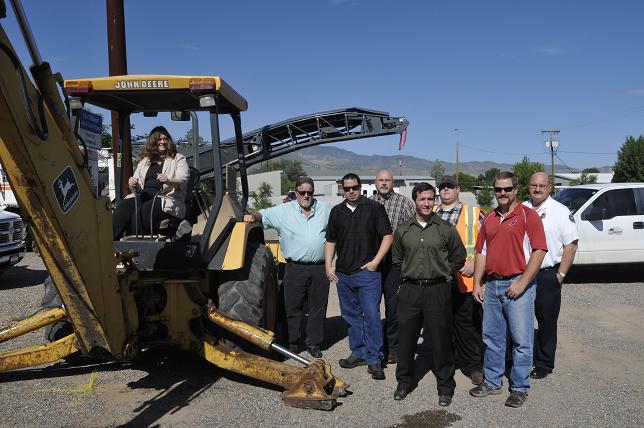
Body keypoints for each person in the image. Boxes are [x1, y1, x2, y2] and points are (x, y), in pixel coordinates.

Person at [469, 171, 547, 408]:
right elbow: (481, 252)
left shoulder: (528, 216)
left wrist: (523, 282)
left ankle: (519, 388)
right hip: (492, 285)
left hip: (517, 285)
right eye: (498, 190)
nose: (502, 194)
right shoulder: (490, 218)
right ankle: (492, 382)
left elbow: (539, 251)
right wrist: (477, 283)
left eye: (507, 189)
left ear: (516, 190)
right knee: (492, 338)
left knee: (521, 340)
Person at [392, 182, 466, 407]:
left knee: (441, 339)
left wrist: (440, 271)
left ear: (434, 201)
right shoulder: (403, 229)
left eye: (430, 199)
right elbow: (397, 260)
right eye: (422, 199)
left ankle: (445, 385)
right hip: (411, 290)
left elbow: (458, 257)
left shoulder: (445, 229)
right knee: (406, 339)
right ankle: (404, 382)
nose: (426, 203)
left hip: (437, 290)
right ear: (414, 200)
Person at [244, 177, 330, 358]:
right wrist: (252, 216)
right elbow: (263, 215)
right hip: (294, 267)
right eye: (302, 192)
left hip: (320, 267)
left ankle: (313, 343)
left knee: (317, 307)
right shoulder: (283, 211)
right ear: (295, 192)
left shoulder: (325, 210)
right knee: (292, 307)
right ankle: (292, 344)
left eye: (310, 192)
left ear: (313, 193)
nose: (306, 196)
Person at [325, 173, 393, 380]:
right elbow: (331, 240)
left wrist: (375, 262)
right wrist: (328, 266)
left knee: (371, 315)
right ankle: (358, 353)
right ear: (342, 190)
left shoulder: (374, 209)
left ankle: (374, 359)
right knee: (351, 316)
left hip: (367, 274)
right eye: (347, 189)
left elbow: (388, 236)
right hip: (343, 274)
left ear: (360, 187)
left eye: (354, 187)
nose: (351, 191)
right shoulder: (336, 212)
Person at [524, 172, 578, 379]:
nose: (537, 189)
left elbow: (571, 245)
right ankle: (521, 357)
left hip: (547, 275)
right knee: (521, 320)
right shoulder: (522, 209)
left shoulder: (560, 211)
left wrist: (560, 274)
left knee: (546, 321)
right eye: (533, 185)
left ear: (549, 187)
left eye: (542, 186)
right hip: (522, 274)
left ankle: (544, 363)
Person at [434, 176, 485, 386]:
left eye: (449, 187)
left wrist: (475, 265)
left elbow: (486, 245)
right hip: (437, 279)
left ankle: (473, 366)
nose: (445, 190)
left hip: (466, 278)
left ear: (457, 189)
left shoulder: (474, 213)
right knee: (441, 324)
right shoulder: (431, 211)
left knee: (467, 325)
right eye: (442, 187)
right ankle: (447, 362)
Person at [369, 169, 415, 364]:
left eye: (387, 180)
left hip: (395, 263)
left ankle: (393, 348)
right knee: (370, 308)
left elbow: (413, 230)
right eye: (381, 180)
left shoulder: (404, 203)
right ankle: (373, 347)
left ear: (392, 182)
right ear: (375, 182)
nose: (384, 183)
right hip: (371, 263)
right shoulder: (367, 203)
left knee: (393, 307)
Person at [112, 126, 189, 240]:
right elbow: (137, 184)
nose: (162, 142)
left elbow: (183, 179)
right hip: (144, 196)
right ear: (153, 142)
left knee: (143, 212)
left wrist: (168, 180)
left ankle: (133, 244)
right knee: (123, 207)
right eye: (159, 139)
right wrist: (133, 183)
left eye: (165, 139)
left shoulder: (178, 158)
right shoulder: (145, 161)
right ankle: (109, 243)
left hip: (165, 198)